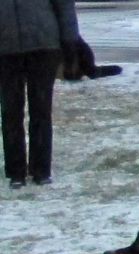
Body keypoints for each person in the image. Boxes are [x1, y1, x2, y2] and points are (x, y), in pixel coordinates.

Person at [0, 0, 80, 189]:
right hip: (5, 49)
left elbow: (64, 5)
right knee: (10, 112)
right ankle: (16, 171)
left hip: (43, 46)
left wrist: (70, 40)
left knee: (41, 110)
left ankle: (41, 170)